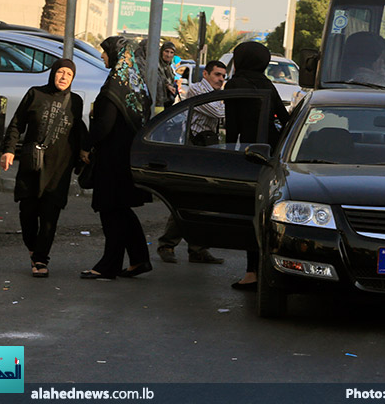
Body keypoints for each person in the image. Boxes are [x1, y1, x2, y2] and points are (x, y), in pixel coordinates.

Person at [0, 59, 88, 278]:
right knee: (27, 211)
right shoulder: (35, 94)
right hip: (33, 164)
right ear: (53, 74)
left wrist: (85, 151)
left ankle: (41, 258)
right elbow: (17, 123)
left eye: (69, 74)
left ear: (73, 78)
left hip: (59, 168)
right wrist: (9, 149)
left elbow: (79, 129)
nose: (64, 77)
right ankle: (33, 248)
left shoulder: (75, 101)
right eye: (60, 72)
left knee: (50, 215)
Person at [81, 37, 153, 280]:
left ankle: (108, 266)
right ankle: (139, 259)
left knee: (111, 211)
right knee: (121, 210)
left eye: (105, 52)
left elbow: (104, 125)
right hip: (131, 157)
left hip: (112, 160)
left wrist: (86, 145)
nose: (103, 57)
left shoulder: (115, 85)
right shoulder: (138, 83)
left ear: (118, 54)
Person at [224, 42, 290, 290]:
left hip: (249, 157)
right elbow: (285, 120)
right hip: (272, 156)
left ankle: (251, 272)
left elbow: (233, 129)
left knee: (248, 214)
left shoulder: (235, 85)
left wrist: (229, 156)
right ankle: (265, 268)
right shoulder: (266, 84)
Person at [156, 60, 226, 265]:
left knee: (202, 202)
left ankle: (198, 249)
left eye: (223, 76)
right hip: (193, 150)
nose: (221, 79)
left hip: (206, 150)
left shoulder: (215, 94)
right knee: (186, 199)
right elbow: (218, 113)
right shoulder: (197, 91)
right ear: (206, 74)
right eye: (217, 75)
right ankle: (167, 244)